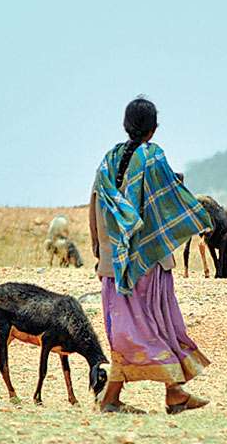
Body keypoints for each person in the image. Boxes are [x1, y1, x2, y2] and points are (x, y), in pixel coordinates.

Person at [88, 97, 212, 414]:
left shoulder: (108, 161)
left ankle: (131, 397)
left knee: (127, 333)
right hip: (148, 265)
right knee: (157, 326)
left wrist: (102, 256)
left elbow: (95, 209)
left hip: (114, 267)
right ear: (154, 129)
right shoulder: (153, 158)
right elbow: (170, 201)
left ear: (125, 125)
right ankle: (165, 393)